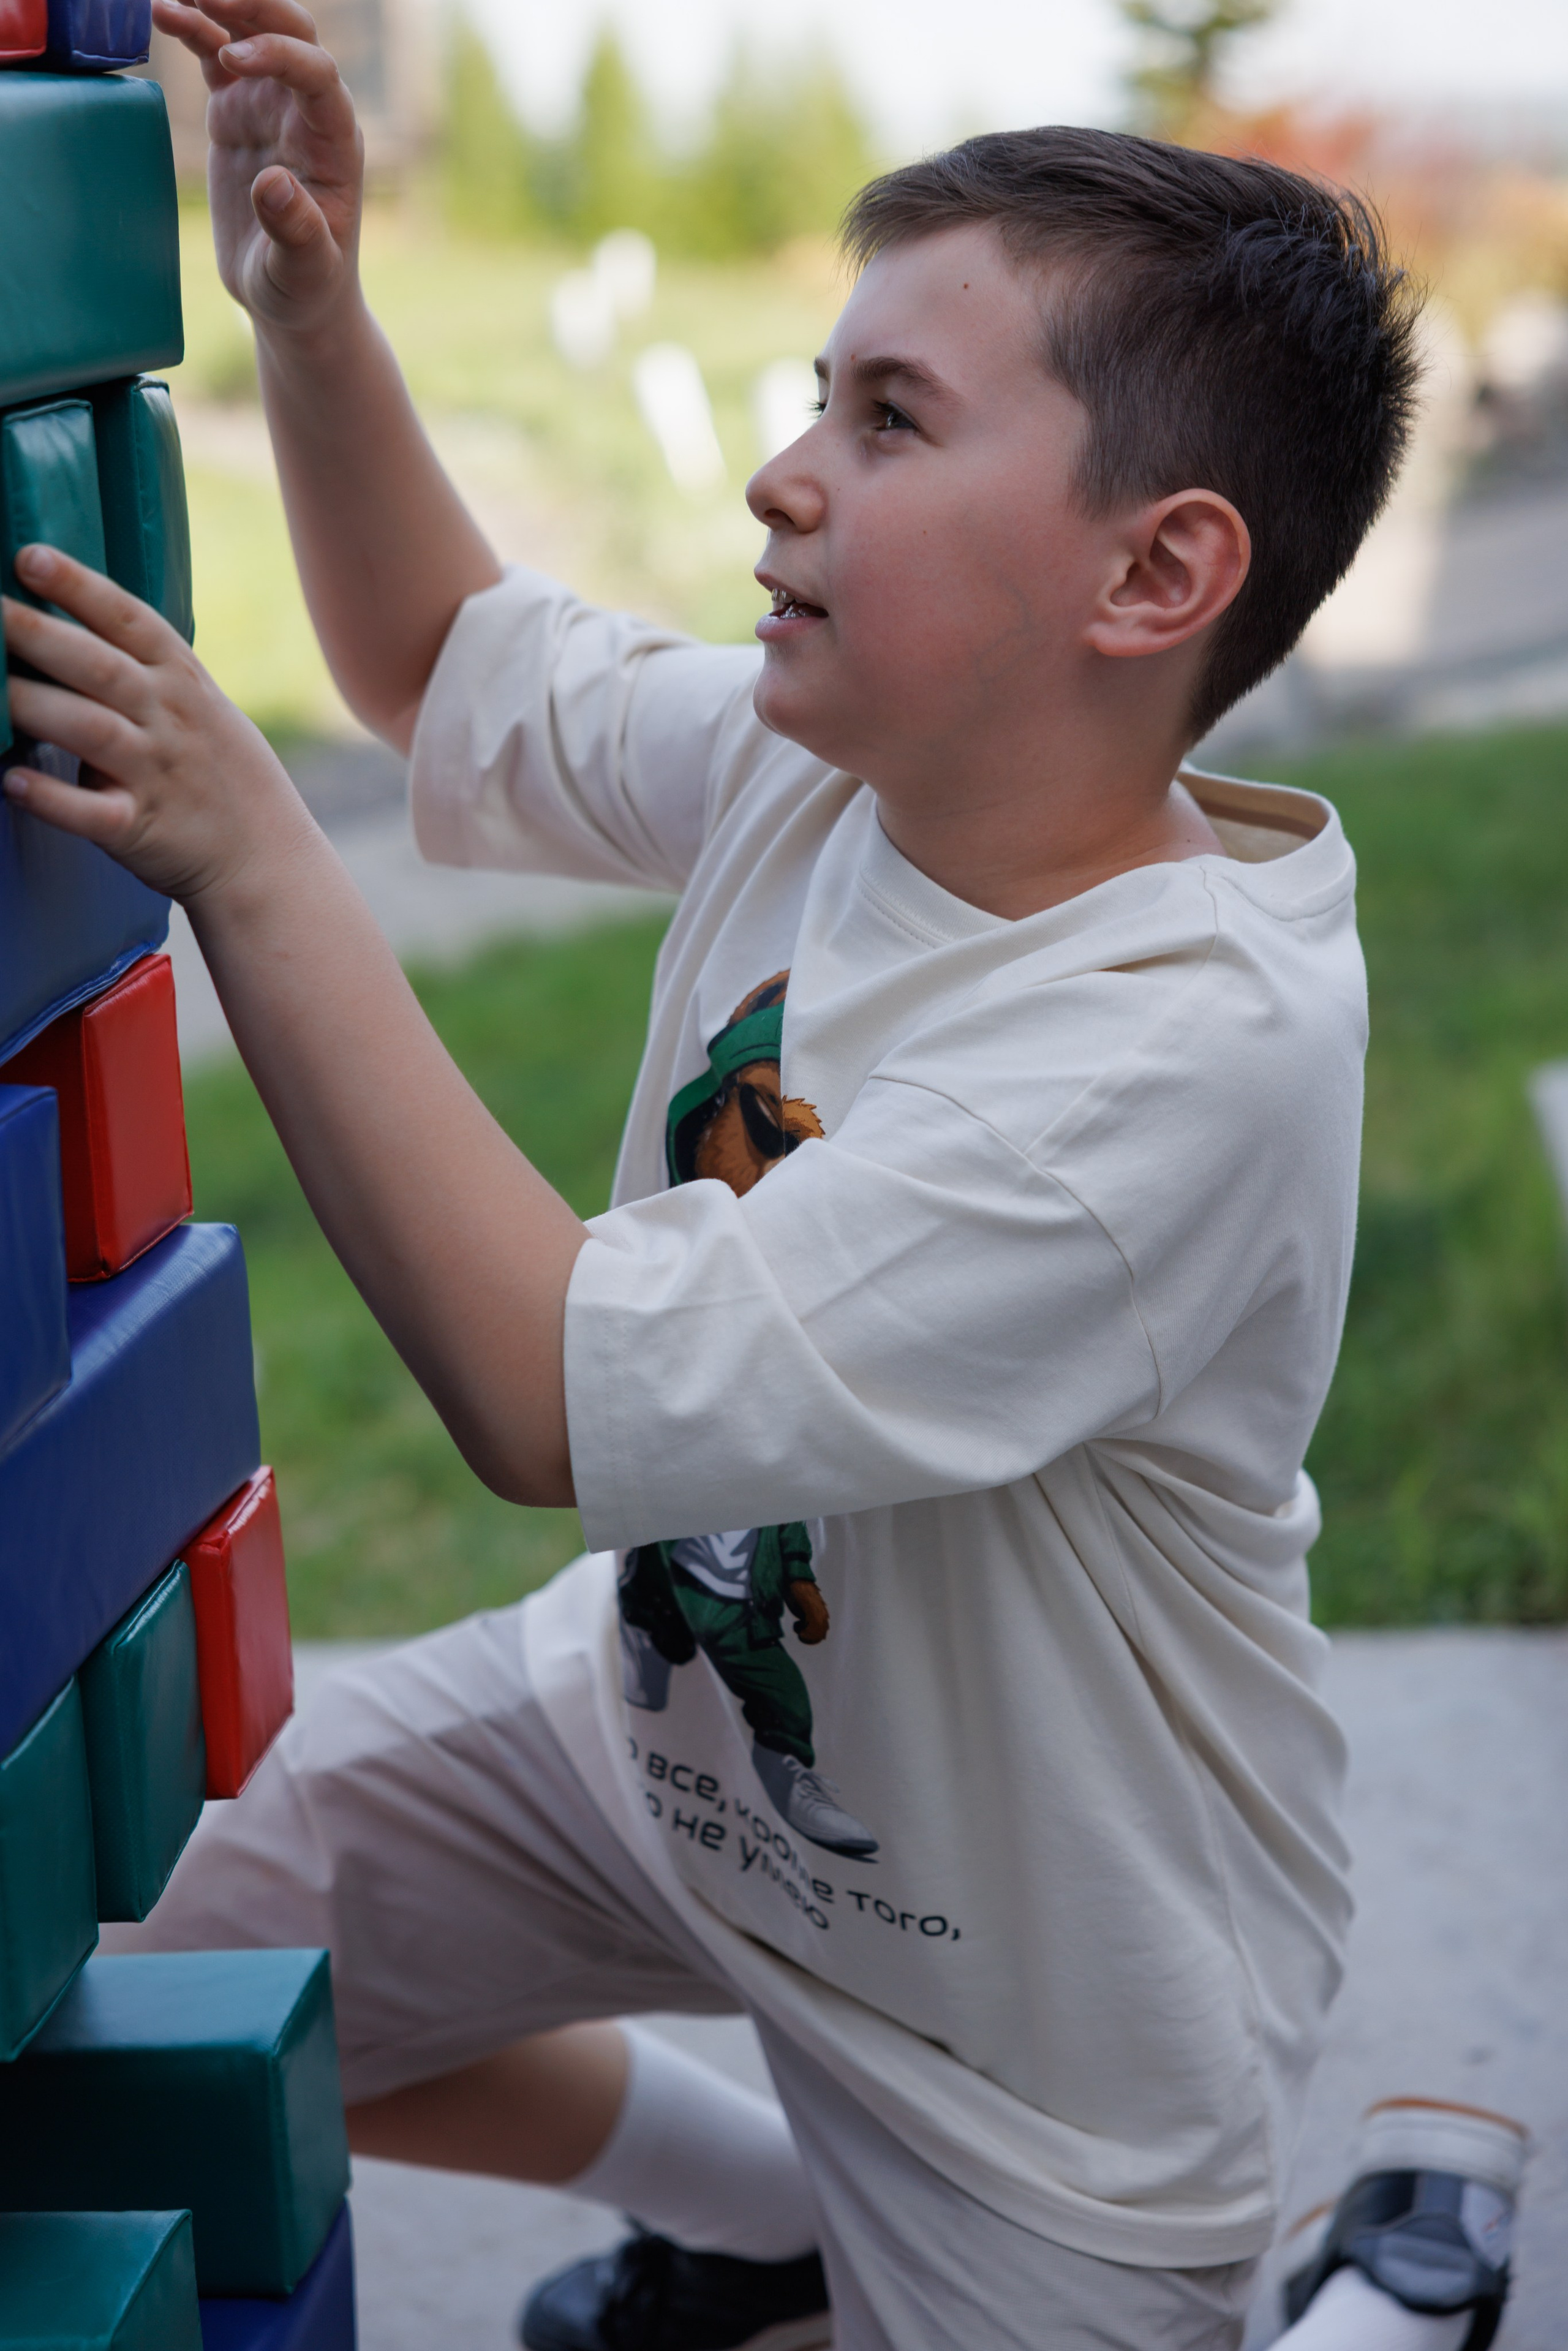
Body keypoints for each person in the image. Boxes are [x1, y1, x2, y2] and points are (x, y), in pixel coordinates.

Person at [2, 4, 1423, 2343]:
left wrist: (250, 855)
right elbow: (438, 665)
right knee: (147, 1972)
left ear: (1156, 575)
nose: (784, 474)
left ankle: (1390, 2282)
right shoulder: (843, 762)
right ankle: (762, 2217)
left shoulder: (1167, 1064)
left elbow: (541, 1389)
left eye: (891, 422)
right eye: (815, 396)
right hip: (665, 1746)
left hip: (1032, 2030)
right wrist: (314, 310)